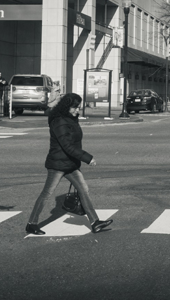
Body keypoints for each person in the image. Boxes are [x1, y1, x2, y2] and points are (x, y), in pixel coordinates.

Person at [26, 93, 112, 235]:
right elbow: (67, 146)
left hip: (70, 163)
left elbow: (73, 142)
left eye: (78, 107)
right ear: (67, 106)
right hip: (58, 164)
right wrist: (87, 158)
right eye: (75, 107)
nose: (77, 110)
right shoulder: (59, 121)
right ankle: (31, 223)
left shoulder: (70, 118)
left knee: (83, 190)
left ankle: (95, 222)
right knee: (46, 194)